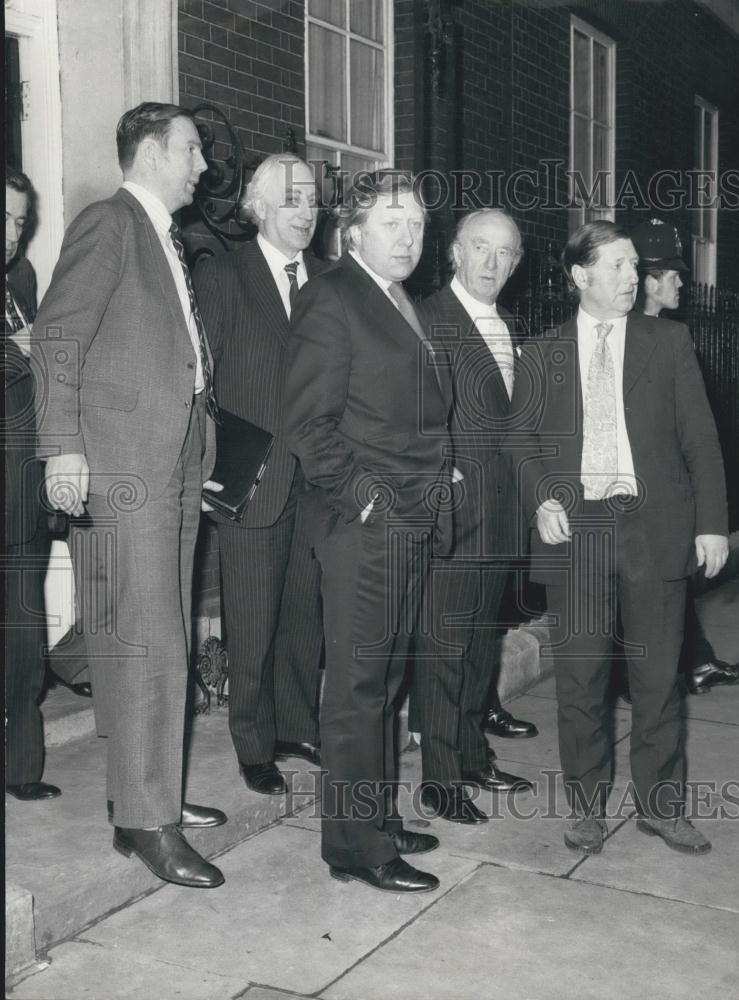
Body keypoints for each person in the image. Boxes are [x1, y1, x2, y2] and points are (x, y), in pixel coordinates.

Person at [31, 102, 227, 888]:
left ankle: (147, 796)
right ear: (149, 152)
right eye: (190, 150)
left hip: (172, 455)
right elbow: (56, 337)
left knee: (152, 631)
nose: (202, 165)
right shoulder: (109, 222)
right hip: (123, 460)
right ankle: (150, 821)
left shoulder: (161, 237)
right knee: (148, 638)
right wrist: (62, 448)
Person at [508, 220, 729, 856]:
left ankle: (662, 808)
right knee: (581, 680)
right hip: (578, 532)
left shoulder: (670, 342)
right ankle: (585, 808)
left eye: (636, 266)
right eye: (619, 266)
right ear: (580, 276)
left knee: (658, 677)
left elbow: (701, 441)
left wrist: (711, 523)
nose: (633, 277)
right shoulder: (543, 352)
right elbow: (520, 443)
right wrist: (541, 497)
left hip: (653, 528)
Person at [285, 170, 451, 894]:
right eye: (391, 222)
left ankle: (374, 817)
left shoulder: (396, 300)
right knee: (357, 689)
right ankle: (355, 847)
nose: (408, 236)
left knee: (385, 686)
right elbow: (307, 425)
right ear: (350, 231)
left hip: (409, 521)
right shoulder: (331, 298)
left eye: (415, 223)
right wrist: (369, 501)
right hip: (367, 529)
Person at [194, 154, 325, 795]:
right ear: (260, 207)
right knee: (252, 617)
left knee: (306, 612)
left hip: (319, 478)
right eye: (293, 200)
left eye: (313, 202)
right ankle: (253, 741)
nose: (306, 213)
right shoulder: (226, 277)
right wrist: (210, 466)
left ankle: (296, 724)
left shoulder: (326, 281)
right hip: (255, 477)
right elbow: (203, 377)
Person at [414, 209, 534, 825]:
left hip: (501, 519)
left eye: (504, 253)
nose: (492, 263)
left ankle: (470, 755)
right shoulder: (428, 319)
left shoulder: (506, 325)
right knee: (444, 652)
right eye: (480, 249)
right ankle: (439, 780)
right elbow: (407, 412)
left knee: (481, 646)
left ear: (515, 263)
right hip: (456, 519)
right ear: (456, 253)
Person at [628, 217, 739, 695]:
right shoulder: (635, 337)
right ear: (648, 280)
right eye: (673, 274)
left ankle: (695, 661)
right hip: (638, 504)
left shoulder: (664, 335)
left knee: (671, 585)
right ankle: (662, 670)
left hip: (665, 501)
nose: (682, 282)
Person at [4, 165, 61, 801]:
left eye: (21, 221)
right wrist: (21, 348)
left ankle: (22, 767)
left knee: (23, 635)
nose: (13, 234)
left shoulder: (22, 277)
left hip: (22, 484)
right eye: (4, 218)